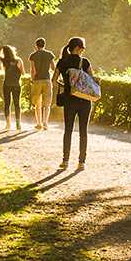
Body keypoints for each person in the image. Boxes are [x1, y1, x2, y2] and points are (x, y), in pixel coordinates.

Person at [53, 36, 93, 170]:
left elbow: (54, 79)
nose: (82, 51)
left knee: (68, 130)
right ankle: (82, 162)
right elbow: (91, 80)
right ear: (77, 48)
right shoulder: (85, 62)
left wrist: (66, 85)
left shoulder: (62, 61)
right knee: (83, 131)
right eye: (82, 48)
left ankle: (65, 161)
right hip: (85, 101)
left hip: (69, 101)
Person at [28, 38, 56, 130]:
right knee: (47, 104)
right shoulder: (49, 54)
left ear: (36, 46)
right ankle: (45, 123)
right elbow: (53, 67)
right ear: (44, 45)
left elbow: (33, 70)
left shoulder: (33, 55)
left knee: (37, 103)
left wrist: (32, 79)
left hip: (37, 81)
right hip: (47, 80)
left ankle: (39, 123)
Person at [0, 45, 25, 130]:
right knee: (17, 104)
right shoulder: (18, 60)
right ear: (12, 51)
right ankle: (18, 124)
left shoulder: (5, 61)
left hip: (6, 85)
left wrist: (1, 47)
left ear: (4, 53)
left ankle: (8, 124)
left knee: (7, 104)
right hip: (16, 85)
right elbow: (23, 73)